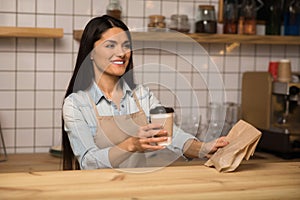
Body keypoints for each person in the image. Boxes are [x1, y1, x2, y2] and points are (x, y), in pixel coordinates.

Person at [62, 15, 229, 170]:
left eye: (126, 45)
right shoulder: (76, 104)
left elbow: (169, 135)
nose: (121, 53)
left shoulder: (141, 95)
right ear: (90, 53)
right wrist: (132, 144)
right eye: (110, 45)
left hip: (139, 189)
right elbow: (88, 161)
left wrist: (203, 148)